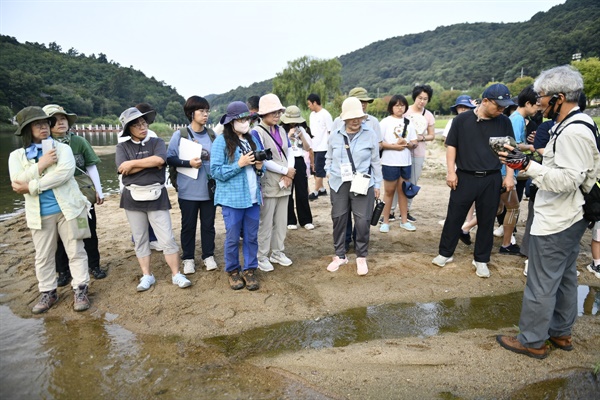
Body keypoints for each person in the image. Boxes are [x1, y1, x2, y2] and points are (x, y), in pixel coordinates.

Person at [496, 65, 600, 359]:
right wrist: (526, 157)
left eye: (542, 96)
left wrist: (526, 166)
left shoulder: (573, 132)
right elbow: (563, 167)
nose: (538, 101)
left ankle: (532, 341)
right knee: (566, 277)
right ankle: (561, 333)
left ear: (560, 96)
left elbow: (569, 179)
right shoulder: (576, 124)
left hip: (558, 218)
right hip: (570, 216)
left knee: (541, 281)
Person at [9, 106, 91, 313]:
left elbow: (64, 174)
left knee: (76, 250)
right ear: (28, 129)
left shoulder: (62, 148)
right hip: (39, 213)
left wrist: (33, 185)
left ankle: (80, 289)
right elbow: (17, 182)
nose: (44, 127)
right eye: (38, 124)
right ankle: (48, 292)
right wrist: (41, 164)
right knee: (44, 255)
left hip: (69, 209)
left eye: (46, 123)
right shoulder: (16, 156)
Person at [432, 83, 515, 279]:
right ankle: (445, 253)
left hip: (492, 177)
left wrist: (510, 175)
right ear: (485, 101)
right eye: (499, 105)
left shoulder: (504, 122)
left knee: (487, 220)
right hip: (465, 176)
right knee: (454, 216)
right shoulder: (462, 120)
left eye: (505, 106)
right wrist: (450, 172)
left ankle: (481, 259)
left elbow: (511, 150)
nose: (502, 109)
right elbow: (451, 146)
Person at [116, 107, 191, 292]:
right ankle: (147, 275)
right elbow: (121, 169)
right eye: (136, 125)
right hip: (132, 198)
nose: (142, 127)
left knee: (167, 237)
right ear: (128, 129)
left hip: (156, 196)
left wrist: (132, 163)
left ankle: (176, 274)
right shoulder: (122, 147)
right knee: (141, 239)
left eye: (143, 123)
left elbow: (159, 161)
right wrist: (144, 164)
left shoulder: (156, 142)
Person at [43, 104, 107, 288]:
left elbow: (91, 166)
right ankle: (63, 271)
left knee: (88, 229)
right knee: (59, 236)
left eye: (63, 118)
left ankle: (94, 265)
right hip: (56, 196)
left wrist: (99, 191)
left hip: (81, 194)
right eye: (55, 119)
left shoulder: (79, 142)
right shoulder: (43, 145)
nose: (61, 122)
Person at [210, 101, 265, 290]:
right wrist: (239, 164)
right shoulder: (221, 141)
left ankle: (250, 270)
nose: (245, 122)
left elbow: (260, 169)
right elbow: (215, 171)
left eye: (247, 119)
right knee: (233, 237)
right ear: (231, 122)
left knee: (251, 236)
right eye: (240, 119)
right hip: (232, 199)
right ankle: (233, 271)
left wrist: (259, 167)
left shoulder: (252, 140)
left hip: (252, 197)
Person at [325, 97, 382, 276]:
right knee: (339, 218)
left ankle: (361, 256)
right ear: (344, 118)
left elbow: (376, 162)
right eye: (352, 117)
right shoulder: (334, 135)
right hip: (338, 182)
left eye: (359, 116)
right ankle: (340, 255)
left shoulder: (370, 134)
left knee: (363, 220)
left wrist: (378, 184)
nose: (356, 120)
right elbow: (328, 157)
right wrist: (328, 171)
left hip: (363, 183)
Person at [167, 96, 218, 275]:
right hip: (188, 190)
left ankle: (208, 255)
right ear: (191, 113)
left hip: (209, 190)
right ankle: (188, 258)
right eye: (201, 111)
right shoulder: (180, 135)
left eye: (207, 111)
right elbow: (170, 158)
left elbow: (220, 157)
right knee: (188, 225)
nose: (205, 115)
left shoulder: (212, 135)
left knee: (208, 225)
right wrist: (189, 162)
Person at [251, 94, 295, 272]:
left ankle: (277, 252)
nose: (277, 115)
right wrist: (285, 171)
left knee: (281, 220)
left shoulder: (282, 130)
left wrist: (290, 173)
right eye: (273, 112)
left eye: (278, 111)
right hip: (269, 181)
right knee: (266, 221)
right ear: (263, 113)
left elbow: (289, 151)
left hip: (285, 181)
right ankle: (261, 255)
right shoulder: (257, 132)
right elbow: (262, 159)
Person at [378, 95, 418, 232]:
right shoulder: (384, 122)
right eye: (397, 105)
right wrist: (394, 146)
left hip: (405, 161)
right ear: (391, 107)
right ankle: (385, 221)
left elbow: (414, 142)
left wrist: (408, 144)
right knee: (389, 191)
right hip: (389, 161)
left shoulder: (409, 122)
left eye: (402, 105)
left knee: (403, 191)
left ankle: (404, 220)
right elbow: (380, 143)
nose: (400, 108)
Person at [404, 85, 436, 222]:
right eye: (419, 98)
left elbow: (432, 135)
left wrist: (420, 137)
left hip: (418, 152)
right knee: (398, 181)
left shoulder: (428, 115)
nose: (422, 101)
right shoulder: (405, 111)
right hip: (403, 152)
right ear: (414, 97)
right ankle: (391, 211)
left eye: (425, 99)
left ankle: (406, 211)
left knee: (412, 182)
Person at [280, 105, 314, 230]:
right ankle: (290, 220)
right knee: (288, 191)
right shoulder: (280, 130)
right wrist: (289, 135)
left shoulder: (301, 129)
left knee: (302, 191)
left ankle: (306, 220)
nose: (293, 123)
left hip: (299, 160)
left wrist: (302, 136)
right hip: (286, 161)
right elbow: (280, 147)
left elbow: (307, 148)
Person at [307, 93, 333, 200]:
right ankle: (322, 189)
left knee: (319, 171)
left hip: (323, 147)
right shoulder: (312, 115)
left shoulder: (326, 114)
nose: (308, 106)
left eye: (309, 104)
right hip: (314, 146)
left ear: (314, 102)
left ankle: (315, 192)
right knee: (315, 169)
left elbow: (331, 132)